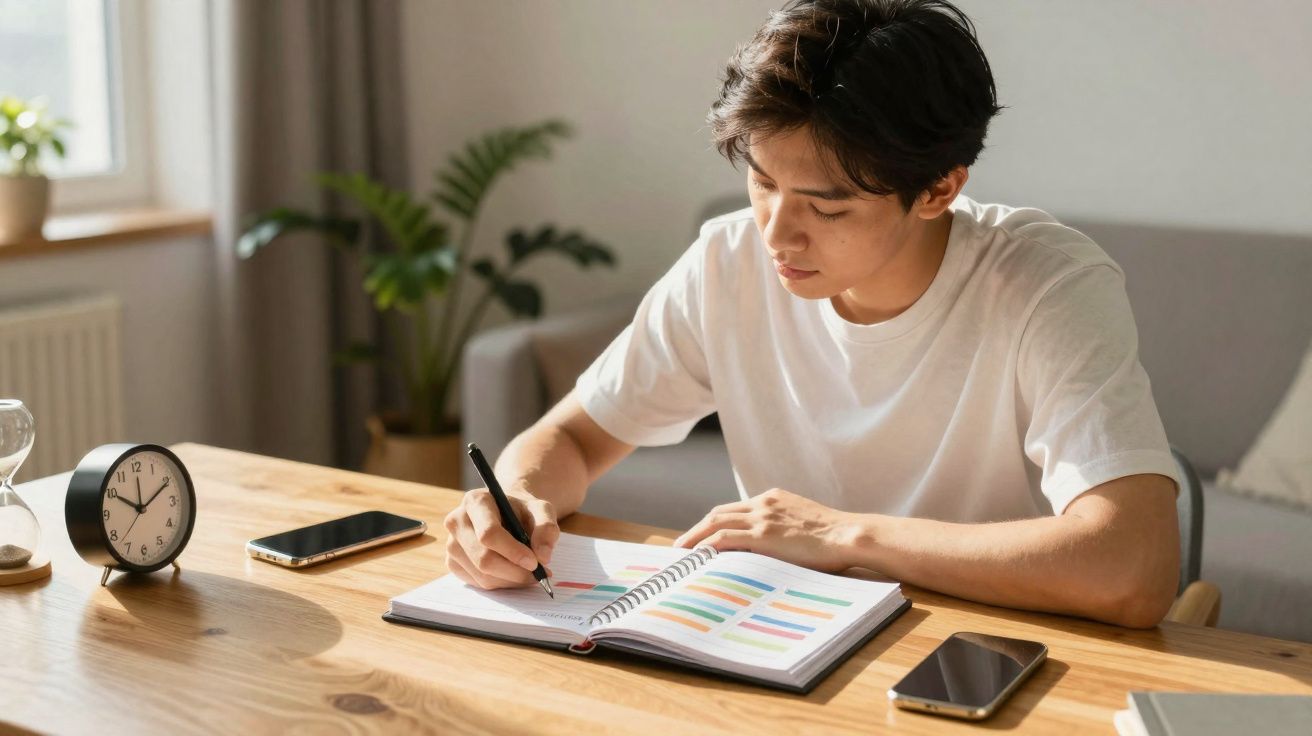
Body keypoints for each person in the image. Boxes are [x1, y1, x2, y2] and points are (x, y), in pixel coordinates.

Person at [444, 0, 1182, 628]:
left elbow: (1134, 566)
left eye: (826, 207)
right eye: (761, 184)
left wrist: (840, 535)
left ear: (937, 189)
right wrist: (518, 504)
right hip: (780, 637)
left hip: (982, 645)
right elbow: (570, 437)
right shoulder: (727, 262)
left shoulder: (1046, 285)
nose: (776, 234)